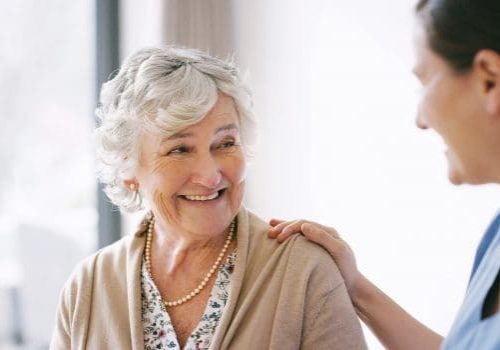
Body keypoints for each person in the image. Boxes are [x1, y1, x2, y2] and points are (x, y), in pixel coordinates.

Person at [49, 46, 367, 349]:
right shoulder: (88, 287)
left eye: (225, 143)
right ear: (128, 168)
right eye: (180, 149)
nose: (210, 175)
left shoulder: (303, 269)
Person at [269, 0, 500, 349]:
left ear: (489, 79)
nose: (420, 119)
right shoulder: (495, 238)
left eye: (424, 81)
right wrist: (354, 285)